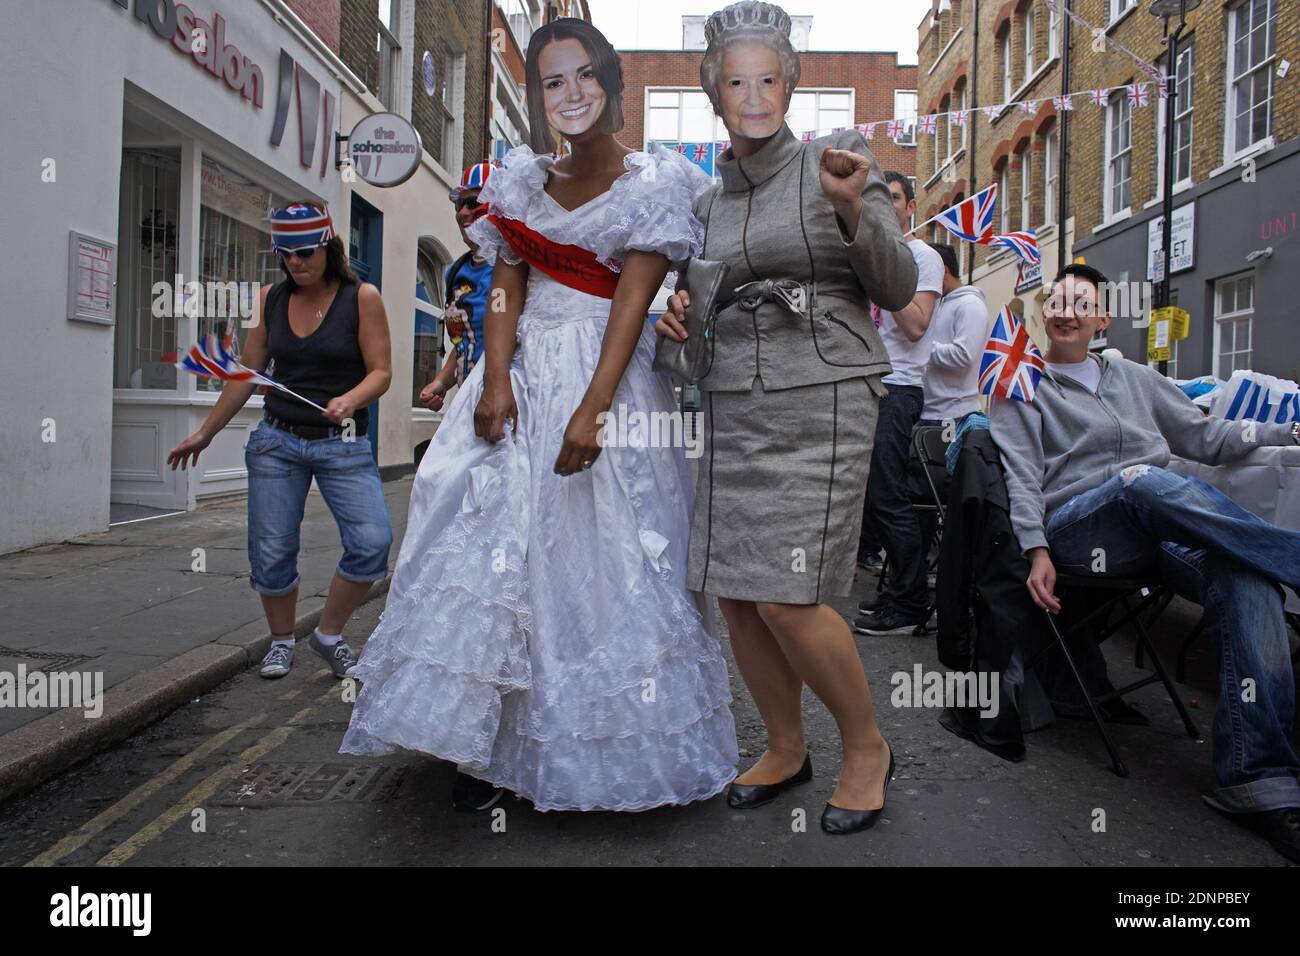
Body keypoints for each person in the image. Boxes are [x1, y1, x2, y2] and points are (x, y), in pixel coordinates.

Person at [341, 17, 737, 813]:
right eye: (553, 81)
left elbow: (632, 298)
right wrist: (492, 382)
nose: (571, 94)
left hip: (607, 378)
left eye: (585, 76)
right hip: (518, 374)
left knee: (599, 561)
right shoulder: (521, 180)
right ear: (536, 96)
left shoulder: (655, 183)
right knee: (489, 547)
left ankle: (588, 747)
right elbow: (506, 284)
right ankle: (490, 741)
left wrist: (592, 408)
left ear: (613, 85)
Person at [656, 0, 916, 834]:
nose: (754, 94)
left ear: (792, 85)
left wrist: (854, 211)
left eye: (769, 78)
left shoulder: (838, 164)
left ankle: (867, 745)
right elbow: (690, 340)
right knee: (737, 597)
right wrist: (677, 322)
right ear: (713, 91)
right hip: (734, 402)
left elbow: (901, 287)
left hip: (824, 397)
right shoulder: (707, 201)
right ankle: (784, 744)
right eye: (737, 80)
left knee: (788, 598)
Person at [990, 263, 1300, 864]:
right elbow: (1021, 477)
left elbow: (1206, 439)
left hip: (1156, 524)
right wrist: (1034, 548)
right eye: (1057, 301)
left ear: (1103, 319)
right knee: (1140, 477)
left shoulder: (1133, 376)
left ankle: (1259, 782)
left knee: (1246, 575)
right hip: (1082, 528)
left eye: (1082, 303)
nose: (1066, 310)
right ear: (1043, 313)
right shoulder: (1020, 380)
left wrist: (1284, 431)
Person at [166, 202, 394, 680]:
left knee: (372, 544)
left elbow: (382, 372)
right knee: (271, 552)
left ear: (329, 246)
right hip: (277, 442)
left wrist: (350, 399)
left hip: (343, 443)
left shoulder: (362, 297)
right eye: (286, 254)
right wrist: (205, 434)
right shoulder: (271, 298)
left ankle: (327, 634)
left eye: (305, 252)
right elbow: (246, 375)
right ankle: (281, 641)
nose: (296, 262)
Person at [852, 173, 945, 637]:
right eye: (877, 199)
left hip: (898, 387)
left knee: (889, 496)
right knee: (871, 497)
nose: (885, 207)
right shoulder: (862, 250)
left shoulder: (921, 256)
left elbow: (915, 327)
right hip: (861, 384)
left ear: (910, 207)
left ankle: (910, 603)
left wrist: (883, 272)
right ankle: (896, 593)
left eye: (893, 199)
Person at [419, 162, 496, 412]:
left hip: (507, 408)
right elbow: (464, 342)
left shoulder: (517, 268)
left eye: (472, 203)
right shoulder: (455, 272)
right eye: (458, 205)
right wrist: (440, 382)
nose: (462, 213)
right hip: (468, 405)